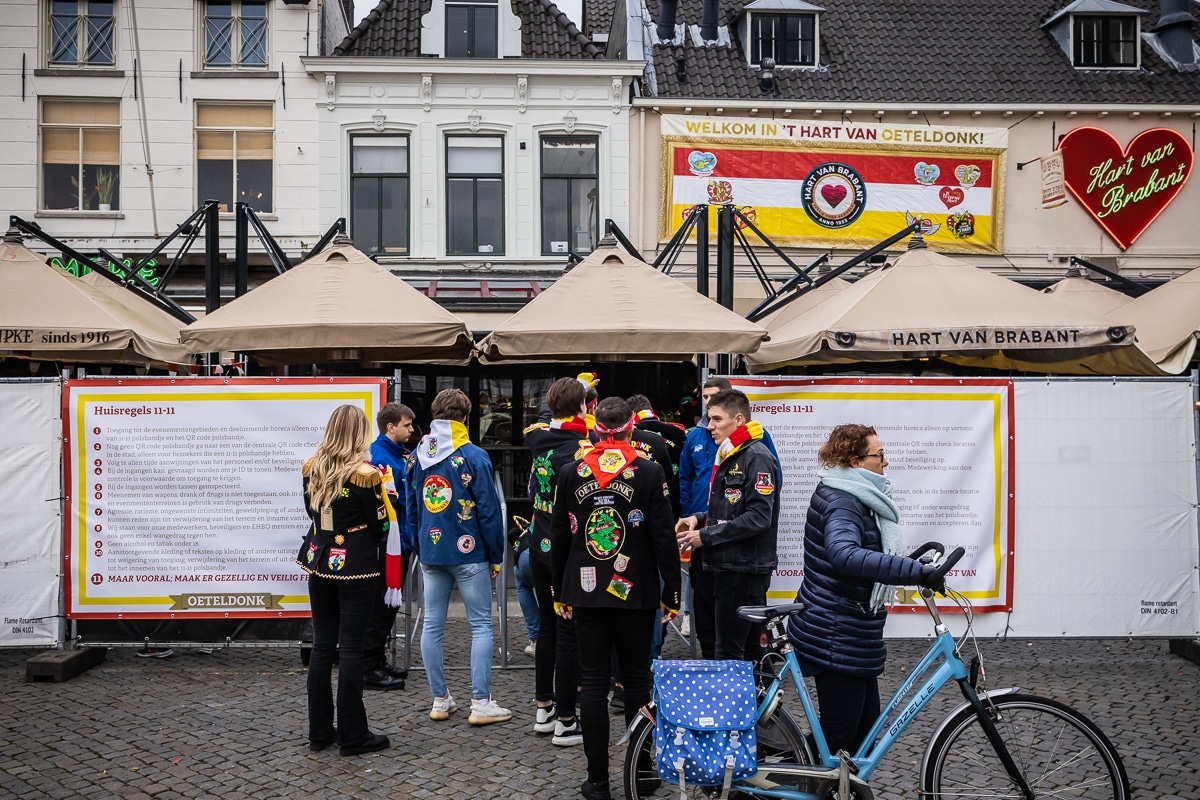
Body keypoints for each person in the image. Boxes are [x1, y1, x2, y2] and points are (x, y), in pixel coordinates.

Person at [551, 397, 681, 800]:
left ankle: (597, 781)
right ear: (631, 429)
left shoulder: (570, 472)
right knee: (637, 681)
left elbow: (559, 536)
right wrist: (672, 591)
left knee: (592, 682)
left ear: (595, 429)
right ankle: (642, 774)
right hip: (635, 591)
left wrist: (559, 590)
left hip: (584, 590)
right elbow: (664, 537)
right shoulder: (649, 471)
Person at [785, 424, 940, 756]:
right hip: (834, 631)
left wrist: (911, 565)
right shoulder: (843, 501)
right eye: (879, 455)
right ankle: (772, 780)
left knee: (864, 730)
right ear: (855, 461)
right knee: (840, 734)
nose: (886, 462)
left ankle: (836, 782)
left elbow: (867, 551)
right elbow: (845, 555)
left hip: (850, 628)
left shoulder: (857, 494)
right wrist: (914, 572)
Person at [405, 388, 511, 726]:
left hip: (431, 550)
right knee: (480, 625)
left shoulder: (415, 457)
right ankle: (480, 702)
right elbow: (489, 512)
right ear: (465, 417)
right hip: (470, 551)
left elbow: (411, 510)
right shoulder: (474, 455)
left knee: (432, 624)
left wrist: (419, 546)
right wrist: (496, 554)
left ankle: (440, 699)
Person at [297, 405, 391, 756]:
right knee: (351, 648)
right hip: (356, 566)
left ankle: (320, 732)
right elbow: (380, 524)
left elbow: (310, 511)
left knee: (323, 647)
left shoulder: (312, 467)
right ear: (360, 433)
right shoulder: (366, 475)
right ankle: (353, 735)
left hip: (319, 560)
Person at [676, 388, 779, 662]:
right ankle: (757, 690)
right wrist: (698, 518)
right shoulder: (732, 452)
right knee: (747, 651)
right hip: (731, 566)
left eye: (717, 419)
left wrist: (705, 536)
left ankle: (743, 692)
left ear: (739, 420)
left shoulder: (755, 456)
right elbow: (730, 509)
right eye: (709, 419)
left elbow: (758, 517)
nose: (709, 426)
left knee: (731, 653)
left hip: (743, 569)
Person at [524, 376, 592, 745]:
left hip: (539, 544)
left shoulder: (538, 437)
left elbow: (541, 424)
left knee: (547, 629)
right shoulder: (583, 449)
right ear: (583, 407)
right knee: (568, 634)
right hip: (567, 551)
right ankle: (566, 719)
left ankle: (544, 708)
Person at [363, 401, 415, 691]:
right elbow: (392, 506)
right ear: (390, 427)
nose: (411, 430)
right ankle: (368, 668)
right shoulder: (383, 459)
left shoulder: (397, 454)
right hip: (389, 546)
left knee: (387, 606)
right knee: (380, 607)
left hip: (398, 542)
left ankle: (377, 660)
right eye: (407, 425)